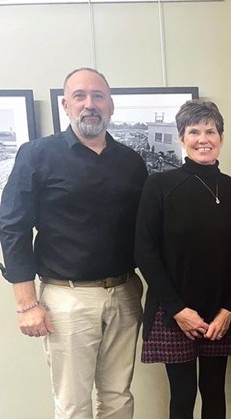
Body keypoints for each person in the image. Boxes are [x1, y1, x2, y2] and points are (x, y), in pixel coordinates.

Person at [0, 67, 147, 418]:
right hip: (66, 299)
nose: (89, 104)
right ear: (66, 105)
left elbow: (148, 230)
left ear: (110, 106)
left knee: (118, 397)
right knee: (72, 403)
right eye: (80, 96)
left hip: (125, 293)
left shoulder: (130, 162)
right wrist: (25, 304)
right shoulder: (37, 155)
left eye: (98, 96)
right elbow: (12, 227)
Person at [134, 100, 231, 419]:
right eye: (194, 131)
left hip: (220, 312)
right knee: (182, 396)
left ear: (221, 138)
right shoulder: (158, 186)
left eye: (210, 131)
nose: (203, 138)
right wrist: (178, 310)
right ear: (182, 138)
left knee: (214, 393)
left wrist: (228, 308)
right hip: (174, 312)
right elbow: (145, 251)